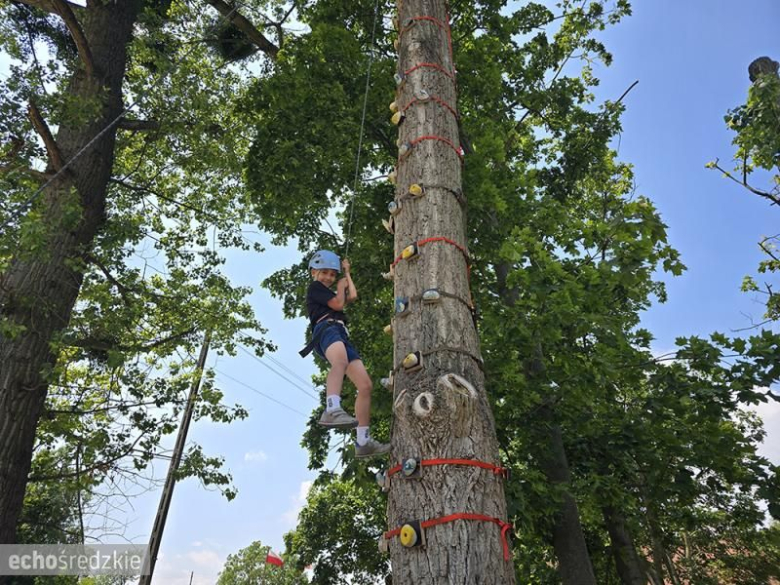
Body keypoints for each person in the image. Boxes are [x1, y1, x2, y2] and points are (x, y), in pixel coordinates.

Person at [304, 250, 390, 458]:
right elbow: (338, 303)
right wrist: (341, 286)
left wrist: (348, 274)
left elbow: (352, 296)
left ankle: (363, 441)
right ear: (313, 272)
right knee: (339, 362)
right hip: (327, 329)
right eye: (324, 272)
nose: (329, 278)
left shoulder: (331, 292)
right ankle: (332, 408)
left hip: (341, 333)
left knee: (365, 385)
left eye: (333, 275)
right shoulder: (315, 288)